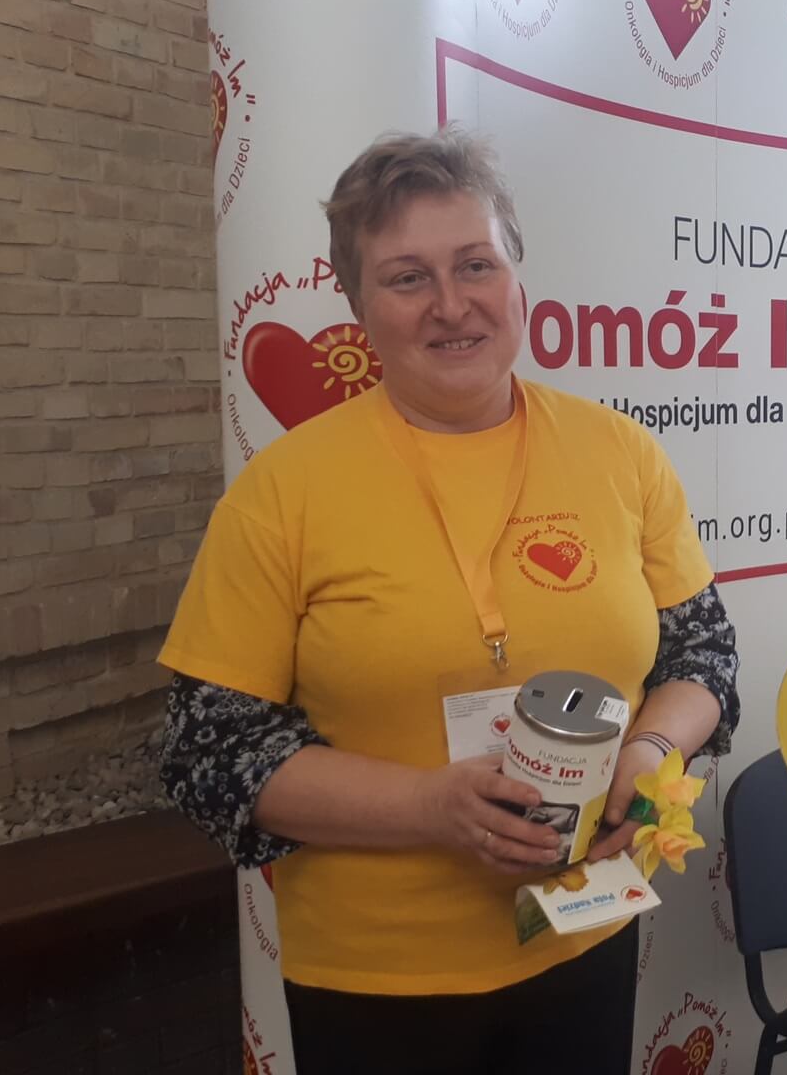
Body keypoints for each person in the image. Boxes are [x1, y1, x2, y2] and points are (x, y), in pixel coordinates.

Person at [157, 126, 739, 1075]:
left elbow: (702, 656)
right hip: (380, 979)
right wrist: (432, 806)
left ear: (518, 281)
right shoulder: (282, 493)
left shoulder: (620, 453)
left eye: (476, 264)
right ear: (358, 308)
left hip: (584, 929)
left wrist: (650, 751)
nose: (451, 304)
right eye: (407, 278)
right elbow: (208, 751)